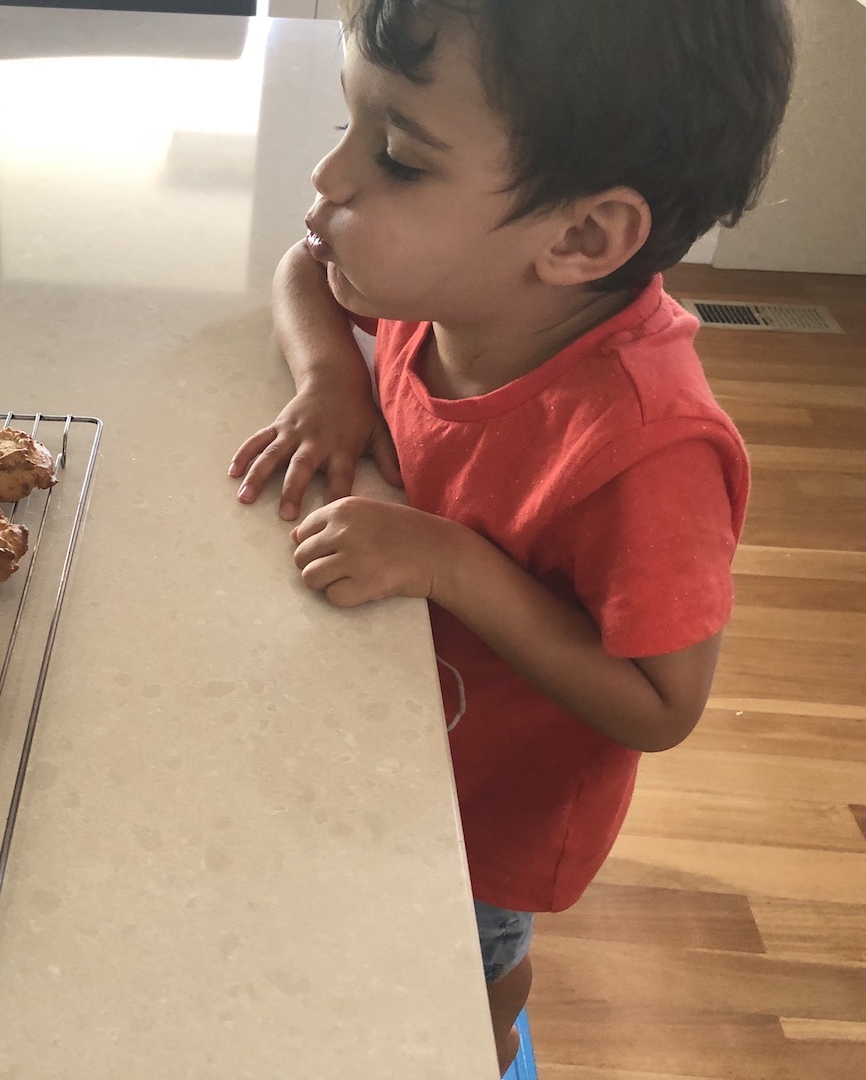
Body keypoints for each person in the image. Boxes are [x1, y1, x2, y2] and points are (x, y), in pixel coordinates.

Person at [227, 1, 794, 1073]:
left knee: (460, 977)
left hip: (487, 812)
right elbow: (302, 268)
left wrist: (449, 560)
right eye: (350, 121)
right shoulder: (447, 281)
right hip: (380, 725)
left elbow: (662, 705)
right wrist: (332, 378)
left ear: (580, 238)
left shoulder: (648, 450)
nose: (330, 176)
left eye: (398, 157)